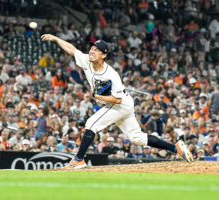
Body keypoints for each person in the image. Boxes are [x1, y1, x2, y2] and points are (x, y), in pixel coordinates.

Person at [41, 34, 193, 170]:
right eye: (92, 48)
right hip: (118, 105)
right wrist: (56, 38)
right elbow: (72, 50)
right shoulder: (87, 60)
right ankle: (176, 148)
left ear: (104, 55)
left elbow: (117, 99)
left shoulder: (111, 74)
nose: (92, 51)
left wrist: (98, 97)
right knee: (137, 138)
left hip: (119, 104)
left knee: (91, 124)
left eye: (96, 49)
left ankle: (78, 160)